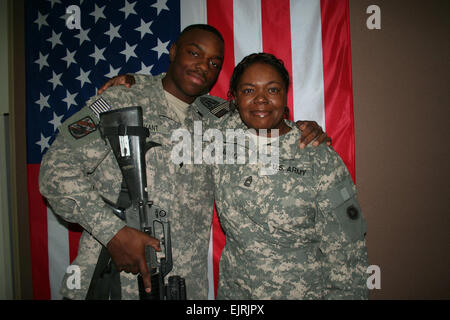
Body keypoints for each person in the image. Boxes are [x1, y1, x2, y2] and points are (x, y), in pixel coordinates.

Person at [39, 25, 329, 300]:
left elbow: (264, 113)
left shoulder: (215, 116)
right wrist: (112, 232)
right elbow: (55, 171)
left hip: (183, 285)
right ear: (173, 51)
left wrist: (303, 128)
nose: (204, 66)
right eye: (194, 53)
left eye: (215, 62)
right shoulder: (121, 100)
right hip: (116, 278)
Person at [208, 53, 369, 299]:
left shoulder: (318, 155)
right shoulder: (222, 136)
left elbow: (349, 246)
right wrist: (132, 83)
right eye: (249, 90)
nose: (260, 99)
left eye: (272, 90)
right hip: (237, 295)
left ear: (285, 96)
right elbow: (187, 96)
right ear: (235, 97)